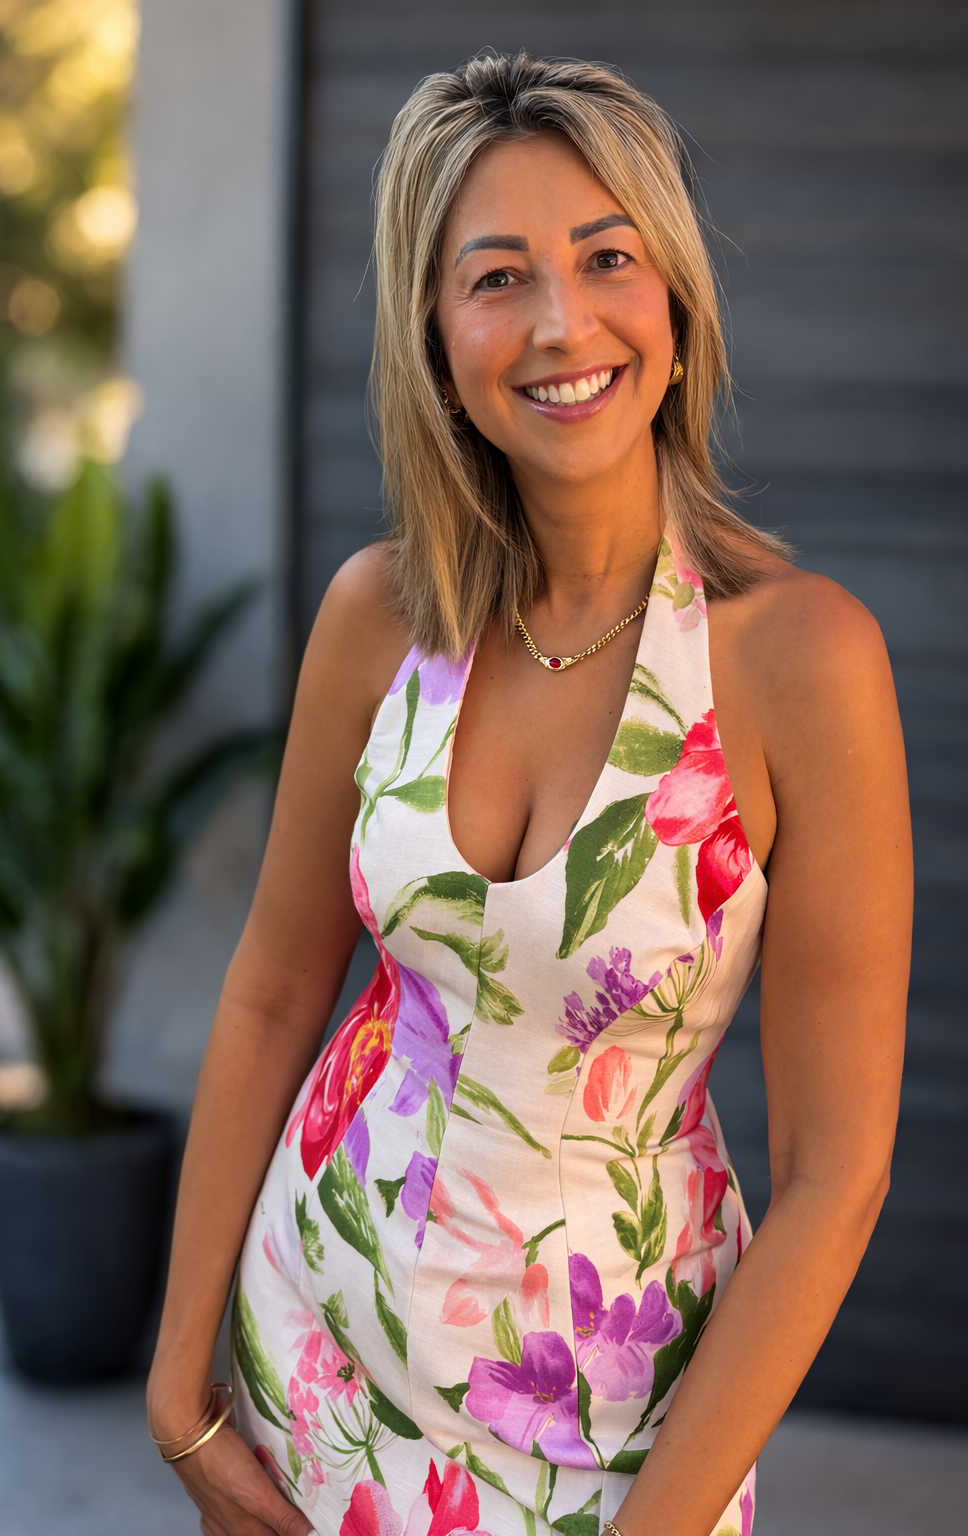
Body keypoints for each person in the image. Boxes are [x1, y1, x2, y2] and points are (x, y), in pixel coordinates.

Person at [146, 52, 911, 1536]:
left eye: (607, 258)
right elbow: (269, 990)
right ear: (437, 341)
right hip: (309, 1349)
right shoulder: (378, 616)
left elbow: (838, 1177)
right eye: (497, 278)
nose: (563, 324)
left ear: (675, 308)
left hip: (614, 1446)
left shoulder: (798, 661)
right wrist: (182, 1393)